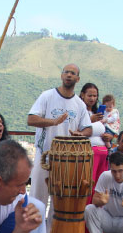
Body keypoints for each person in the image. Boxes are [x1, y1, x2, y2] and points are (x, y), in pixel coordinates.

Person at [27, 64, 92, 212]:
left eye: (73, 73)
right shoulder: (47, 96)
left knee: (59, 200)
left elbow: (88, 128)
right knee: (37, 197)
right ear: (61, 75)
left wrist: (80, 134)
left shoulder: (80, 105)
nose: (69, 75)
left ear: (78, 78)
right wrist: (53, 122)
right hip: (44, 155)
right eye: (66, 72)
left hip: (66, 159)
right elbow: (31, 119)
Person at [79, 83, 112, 204]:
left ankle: (96, 216)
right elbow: (77, 130)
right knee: (89, 185)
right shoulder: (79, 111)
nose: (93, 98)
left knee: (99, 187)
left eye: (95, 96)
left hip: (102, 153)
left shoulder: (97, 112)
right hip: (89, 153)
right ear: (83, 95)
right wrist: (90, 119)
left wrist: (108, 138)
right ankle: (85, 216)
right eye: (90, 95)